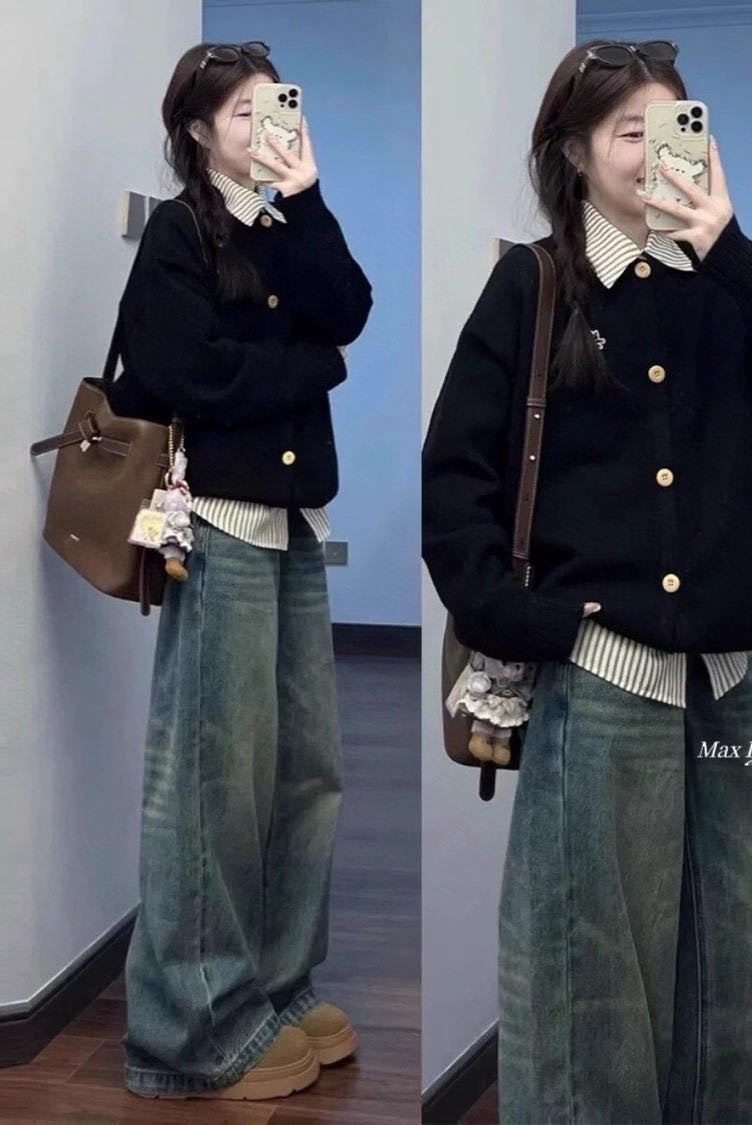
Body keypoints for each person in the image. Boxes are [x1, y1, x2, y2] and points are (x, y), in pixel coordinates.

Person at [422, 38, 752, 1125]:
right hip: (602, 684)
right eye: (628, 132)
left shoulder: (721, 284)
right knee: (591, 987)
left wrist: (725, 243)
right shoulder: (533, 284)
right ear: (574, 152)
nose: (657, 151)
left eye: (674, 128)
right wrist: (525, 620)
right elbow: (456, 477)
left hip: (735, 692)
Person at [108, 40, 372, 1101]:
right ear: (198, 132)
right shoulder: (180, 232)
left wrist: (305, 197)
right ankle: (190, 1027)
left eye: (278, 109)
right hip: (216, 523)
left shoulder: (282, 222)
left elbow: (347, 308)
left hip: (294, 522)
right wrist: (311, 370)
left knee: (303, 769)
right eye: (244, 115)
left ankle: (275, 983)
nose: (267, 129)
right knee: (213, 781)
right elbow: (184, 373)